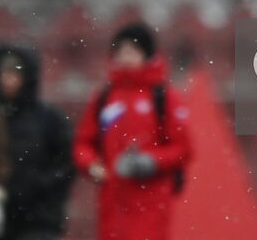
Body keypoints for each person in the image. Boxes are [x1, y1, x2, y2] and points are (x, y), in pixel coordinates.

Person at [74, 23, 192, 240]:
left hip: (151, 200)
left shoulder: (164, 97)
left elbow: (183, 148)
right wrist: (91, 164)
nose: (126, 57)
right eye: (121, 51)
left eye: (132, 51)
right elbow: (83, 142)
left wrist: (150, 162)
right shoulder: (105, 97)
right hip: (112, 200)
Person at [0, 44, 76, 240]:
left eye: (15, 74)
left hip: (38, 220)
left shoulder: (49, 119)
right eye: (3, 74)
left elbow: (66, 165)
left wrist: (38, 190)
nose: (9, 81)